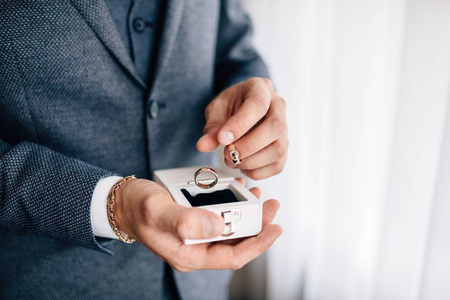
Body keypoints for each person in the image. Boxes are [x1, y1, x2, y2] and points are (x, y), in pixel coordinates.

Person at [0, 0, 287, 299]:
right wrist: (114, 205)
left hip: (202, 287)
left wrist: (254, 101)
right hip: (53, 281)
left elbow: (235, 49)